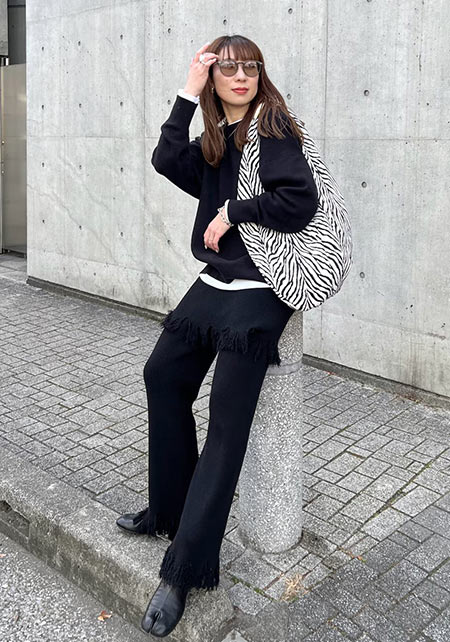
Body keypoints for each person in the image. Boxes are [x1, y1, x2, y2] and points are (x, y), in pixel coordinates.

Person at [115, 34, 319, 637]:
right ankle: (167, 511)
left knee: (227, 423)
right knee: (163, 375)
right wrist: (187, 90)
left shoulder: (271, 126)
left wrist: (234, 212)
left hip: (263, 284)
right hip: (217, 279)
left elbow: (299, 200)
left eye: (250, 66)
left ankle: (184, 570)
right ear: (213, 78)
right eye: (228, 68)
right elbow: (165, 158)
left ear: (261, 74)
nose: (241, 75)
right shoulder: (215, 139)